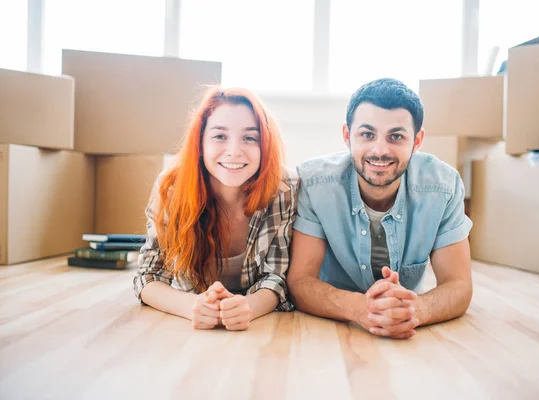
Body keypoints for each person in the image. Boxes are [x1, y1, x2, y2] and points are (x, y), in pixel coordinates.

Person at [287, 78, 473, 340]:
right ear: (347, 136)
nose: (380, 150)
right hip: (331, 327)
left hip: (403, 316)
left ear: (417, 140)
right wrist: (362, 309)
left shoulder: (443, 186)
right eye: (367, 134)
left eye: (396, 136)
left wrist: (415, 309)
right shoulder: (315, 184)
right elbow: (300, 282)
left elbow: (459, 285)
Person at [134, 87, 297, 331]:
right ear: (200, 143)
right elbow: (147, 277)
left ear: (265, 146)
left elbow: (276, 278)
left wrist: (248, 307)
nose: (234, 151)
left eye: (250, 138)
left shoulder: (284, 189)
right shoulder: (171, 188)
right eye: (220, 136)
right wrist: (191, 307)